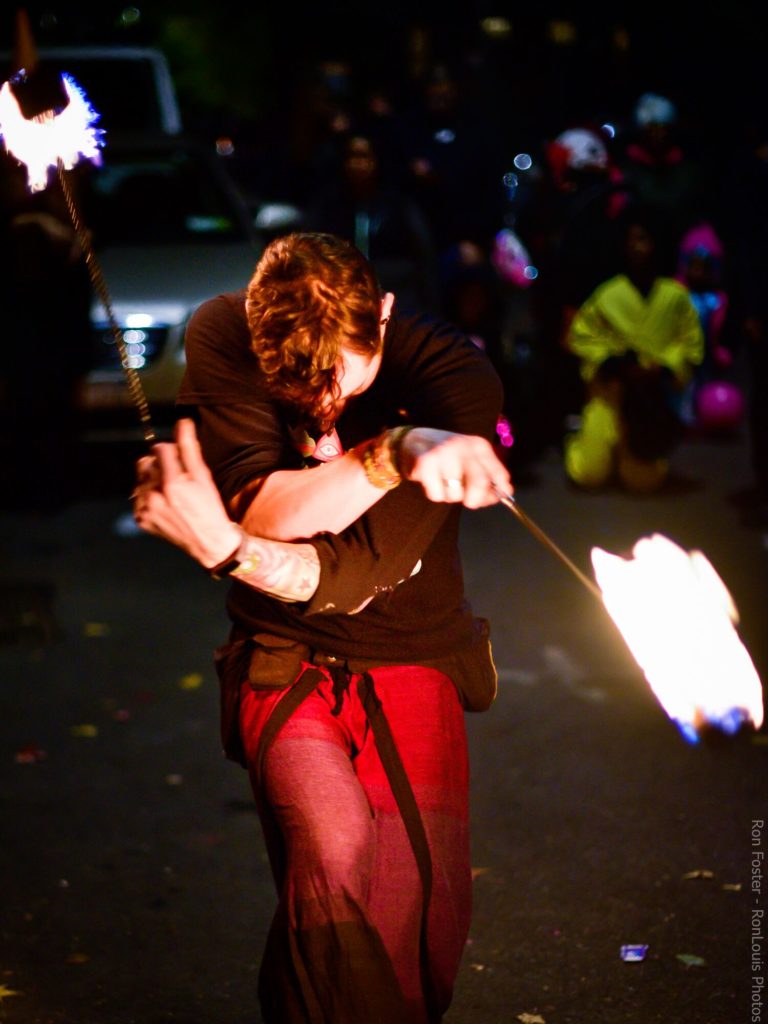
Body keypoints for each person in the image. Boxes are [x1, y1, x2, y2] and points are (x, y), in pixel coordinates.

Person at [132, 231, 512, 1024]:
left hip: (412, 652)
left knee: (419, 924)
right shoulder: (220, 331)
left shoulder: (456, 379)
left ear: (386, 314)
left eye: (346, 379)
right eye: (302, 391)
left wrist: (231, 549)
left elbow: (347, 576)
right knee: (333, 848)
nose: (327, 408)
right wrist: (394, 450)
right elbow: (261, 506)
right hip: (281, 655)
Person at [563, 206, 704, 493]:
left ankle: (630, 456)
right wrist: (611, 361)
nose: (636, 248)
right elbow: (581, 336)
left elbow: (690, 344)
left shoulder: (675, 296)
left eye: (643, 239)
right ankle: (581, 439)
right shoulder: (608, 293)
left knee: (643, 481)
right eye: (631, 241)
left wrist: (663, 366)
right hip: (610, 397)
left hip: (650, 401)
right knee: (588, 474)